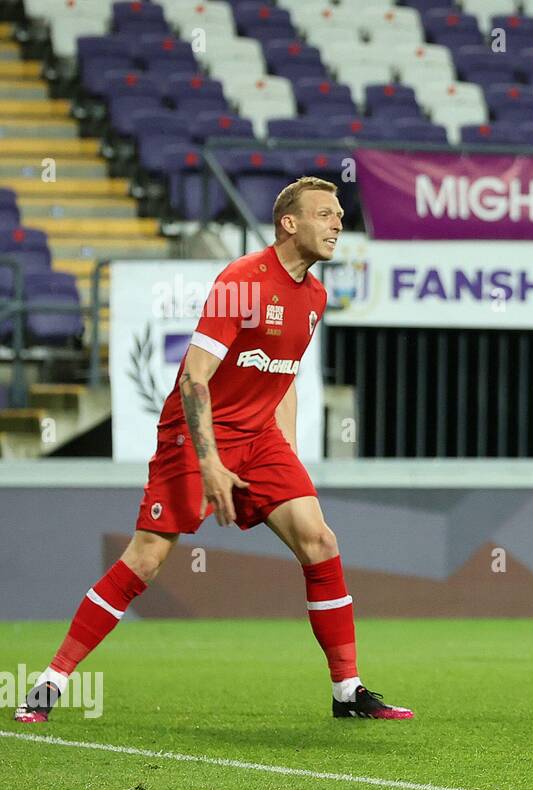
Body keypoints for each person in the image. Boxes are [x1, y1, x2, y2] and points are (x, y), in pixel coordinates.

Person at [15, 177, 412, 723]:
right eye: (325, 214)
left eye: (340, 214)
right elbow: (194, 380)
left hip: (260, 439)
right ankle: (51, 681)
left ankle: (348, 692)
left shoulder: (315, 297)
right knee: (147, 560)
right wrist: (211, 464)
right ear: (289, 224)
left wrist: (288, 454)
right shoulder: (241, 281)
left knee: (320, 540)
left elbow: (284, 376)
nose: (339, 223)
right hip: (195, 433)